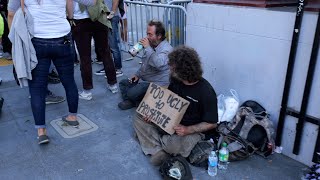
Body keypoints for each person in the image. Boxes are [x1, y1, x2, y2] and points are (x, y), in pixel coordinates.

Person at [8, 0, 96, 145]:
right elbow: (91, 2)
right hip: (62, 39)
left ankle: (41, 132)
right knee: (69, 81)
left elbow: (11, 13)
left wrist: (15, 42)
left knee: (37, 89)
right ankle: (72, 117)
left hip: (36, 42)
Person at [133, 46, 218, 166]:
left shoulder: (206, 92)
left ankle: (154, 143)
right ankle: (158, 150)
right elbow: (169, 99)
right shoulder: (175, 79)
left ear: (183, 70)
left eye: (172, 68)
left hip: (191, 129)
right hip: (172, 121)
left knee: (173, 145)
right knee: (139, 116)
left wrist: (188, 130)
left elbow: (212, 123)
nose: (170, 69)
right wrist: (153, 113)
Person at [68, 0, 118, 101]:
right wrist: (111, 12)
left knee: (85, 56)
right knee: (105, 52)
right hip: (99, 18)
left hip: (80, 20)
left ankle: (87, 91)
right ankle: (113, 84)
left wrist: (70, 18)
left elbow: (69, 3)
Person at [118, 20, 172, 110]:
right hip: (146, 80)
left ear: (159, 36)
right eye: (147, 34)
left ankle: (134, 100)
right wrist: (137, 75)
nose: (147, 37)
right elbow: (145, 64)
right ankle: (135, 101)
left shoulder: (167, 49)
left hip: (157, 84)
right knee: (123, 83)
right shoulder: (152, 45)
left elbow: (158, 64)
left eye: (150, 35)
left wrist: (147, 48)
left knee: (133, 92)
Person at [94, 0, 124, 77]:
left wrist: (112, 13)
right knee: (105, 45)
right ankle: (108, 67)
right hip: (103, 16)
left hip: (111, 17)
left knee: (113, 44)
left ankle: (118, 68)